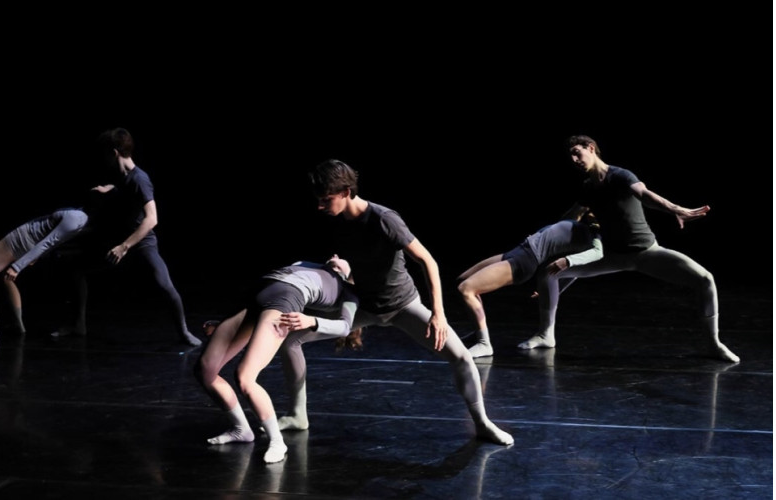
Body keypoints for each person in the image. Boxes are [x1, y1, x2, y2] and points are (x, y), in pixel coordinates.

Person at [277, 159, 514, 446]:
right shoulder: (338, 221)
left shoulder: (384, 218)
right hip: (365, 306)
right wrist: (344, 283)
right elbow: (362, 265)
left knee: (462, 357)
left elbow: (428, 261)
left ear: (347, 191)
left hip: (403, 306)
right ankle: (297, 415)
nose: (320, 206)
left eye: (326, 199)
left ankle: (482, 424)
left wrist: (438, 314)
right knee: (291, 339)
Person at [520, 135, 739, 362]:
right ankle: (546, 335)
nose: (574, 159)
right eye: (571, 156)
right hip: (612, 255)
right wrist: (545, 245)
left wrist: (676, 209)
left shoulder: (620, 175)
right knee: (548, 272)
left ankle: (714, 343)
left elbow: (644, 195)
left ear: (591, 148)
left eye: (577, 152)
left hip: (646, 253)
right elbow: (570, 218)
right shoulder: (588, 187)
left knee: (705, 279)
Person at [194, 258, 359, 464]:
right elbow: (266, 287)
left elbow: (344, 327)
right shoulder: (304, 263)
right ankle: (241, 429)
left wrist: (312, 321)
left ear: (349, 273)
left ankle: (277, 442)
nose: (336, 255)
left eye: (343, 259)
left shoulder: (347, 291)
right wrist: (224, 323)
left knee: (245, 377)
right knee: (205, 370)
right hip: (255, 299)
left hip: (283, 304)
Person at [57, 128, 200, 346]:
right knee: (76, 270)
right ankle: (79, 325)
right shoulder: (120, 177)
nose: (103, 159)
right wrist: (110, 190)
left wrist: (124, 247)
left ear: (114, 153)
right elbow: (124, 189)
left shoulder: (140, 179)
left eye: (105, 154)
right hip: (118, 240)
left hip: (141, 243)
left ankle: (183, 332)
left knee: (164, 284)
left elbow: (152, 219)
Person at [457, 213, 603, 358]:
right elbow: (576, 210)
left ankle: (484, 344)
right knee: (463, 279)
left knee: (466, 289)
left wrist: (567, 261)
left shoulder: (594, 236)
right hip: (516, 252)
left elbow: (594, 256)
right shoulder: (578, 224)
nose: (591, 212)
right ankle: (478, 332)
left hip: (524, 261)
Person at [0, 209, 88, 341]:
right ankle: (18, 325)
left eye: (104, 186)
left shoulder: (77, 217)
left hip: (21, 239)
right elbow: (56, 239)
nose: (98, 186)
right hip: (28, 241)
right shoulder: (81, 219)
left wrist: (18, 266)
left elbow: (50, 241)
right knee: (6, 278)